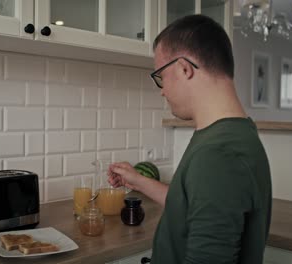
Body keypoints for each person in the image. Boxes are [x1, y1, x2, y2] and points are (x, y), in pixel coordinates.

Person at [108, 15, 272, 264]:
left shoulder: (219, 154)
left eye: (161, 76)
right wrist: (138, 181)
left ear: (185, 68)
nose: (162, 90)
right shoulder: (232, 135)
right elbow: (190, 204)